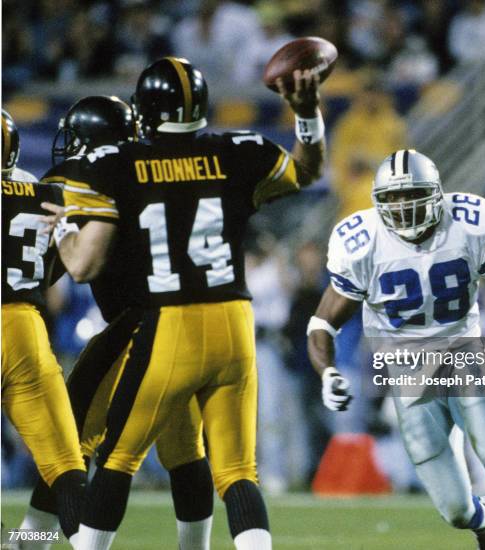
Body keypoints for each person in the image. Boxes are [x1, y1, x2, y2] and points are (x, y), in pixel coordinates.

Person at [44, 56, 325, 550]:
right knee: (238, 471)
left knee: (118, 458)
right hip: (236, 321)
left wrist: (64, 228)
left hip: (168, 325)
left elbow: (84, 267)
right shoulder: (240, 149)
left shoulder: (116, 163)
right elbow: (305, 170)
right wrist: (307, 113)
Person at [307, 149, 485, 550]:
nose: (404, 207)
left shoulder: (469, 222)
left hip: (462, 353)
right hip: (406, 370)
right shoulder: (359, 241)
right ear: (378, 201)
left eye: (414, 195)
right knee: (456, 510)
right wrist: (327, 372)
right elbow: (322, 323)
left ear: (437, 193)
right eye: (393, 198)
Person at [23, 95, 217, 550]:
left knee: (69, 446)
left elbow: (53, 267)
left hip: (133, 327)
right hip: (188, 321)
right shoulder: (152, 166)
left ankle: (28, 543)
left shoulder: (74, 176)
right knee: (186, 452)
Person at [1, 109, 86, 547]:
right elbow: (56, 271)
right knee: (66, 467)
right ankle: (25, 541)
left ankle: (17, 540)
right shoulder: (46, 191)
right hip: (24, 328)